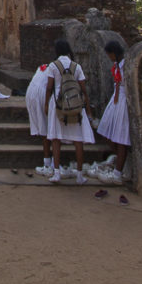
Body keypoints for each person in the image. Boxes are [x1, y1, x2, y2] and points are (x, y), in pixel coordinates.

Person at [44, 39, 94, 184]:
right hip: (75, 103)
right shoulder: (76, 66)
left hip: (58, 103)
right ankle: (79, 175)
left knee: (55, 139)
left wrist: (46, 104)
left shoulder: (53, 66)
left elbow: (49, 87)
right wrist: (88, 109)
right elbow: (83, 89)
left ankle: (57, 173)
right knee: (78, 140)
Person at [97, 41, 130, 184]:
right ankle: (118, 160)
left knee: (121, 137)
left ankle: (117, 173)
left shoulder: (126, 66)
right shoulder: (117, 65)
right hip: (115, 100)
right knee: (106, 130)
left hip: (123, 101)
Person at [25, 61, 54, 175]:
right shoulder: (58, 69)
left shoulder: (44, 67)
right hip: (42, 95)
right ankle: (49, 163)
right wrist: (47, 104)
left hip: (31, 93)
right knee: (47, 129)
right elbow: (49, 88)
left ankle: (49, 162)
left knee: (45, 128)